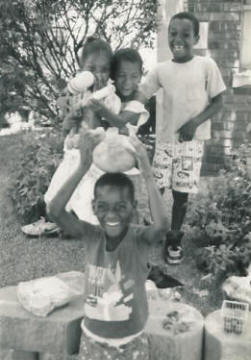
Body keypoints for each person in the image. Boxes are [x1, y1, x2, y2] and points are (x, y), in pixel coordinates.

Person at [47, 129, 169, 360]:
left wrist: (147, 173)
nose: (111, 214)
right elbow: (55, 211)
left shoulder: (139, 238)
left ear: (133, 207)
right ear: (94, 207)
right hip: (92, 341)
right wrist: (83, 166)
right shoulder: (91, 235)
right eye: (103, 206)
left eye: (121, 206)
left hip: (132, 342)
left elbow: (162, 225)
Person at [137, 11, 226, 264]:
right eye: (173, 34)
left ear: (196, 38)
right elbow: (140, 96)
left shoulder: (206, 65)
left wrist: (194, 123)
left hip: (191, 143)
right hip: (165, 141)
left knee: (181, 194)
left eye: (186, 35)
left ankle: (174, 238)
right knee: (157, 187)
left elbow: (219, 102)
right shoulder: (161, 70)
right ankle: (156, 227)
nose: (178, 39)